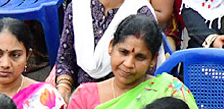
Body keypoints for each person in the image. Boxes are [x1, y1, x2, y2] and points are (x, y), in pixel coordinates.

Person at [53, 0, 156, 102]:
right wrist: (64, 90)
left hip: (128, 96)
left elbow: (147, 67)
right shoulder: (78, 5)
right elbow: (66, 58)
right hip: (82, 96)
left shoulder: (139, 12)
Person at [66, 15, 196, 109]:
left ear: (153, 60)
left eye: (140, 57)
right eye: (123, 52)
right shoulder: (84, 97)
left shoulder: (170, 90)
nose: (128, 64)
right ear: (111, 47)